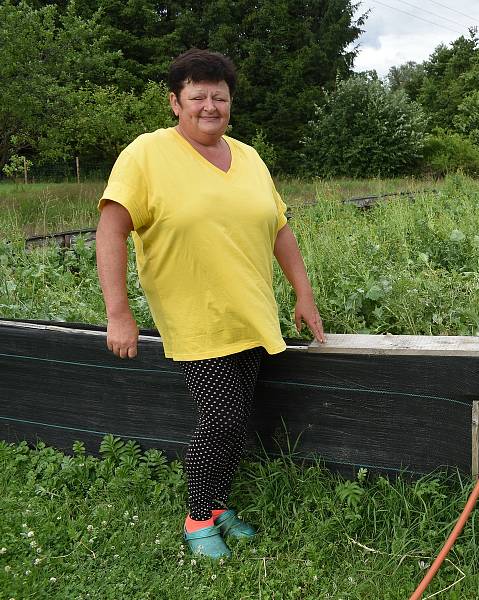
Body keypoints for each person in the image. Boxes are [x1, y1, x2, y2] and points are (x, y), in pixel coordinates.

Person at [96, 48, 326, 559]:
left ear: (230, 103)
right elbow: (111, 228)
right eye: (197, 96)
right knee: (220, 420)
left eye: (218, 97)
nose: (209, 106)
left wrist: (303, 292)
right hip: (196, 315)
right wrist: (119, 311)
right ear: (175, 102)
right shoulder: (147, 154)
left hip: (250, 312)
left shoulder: (248, 157)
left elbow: (279, 228)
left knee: (236, 416)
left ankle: (217, 504)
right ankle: (198, 517)